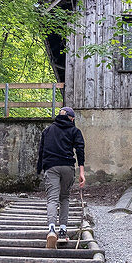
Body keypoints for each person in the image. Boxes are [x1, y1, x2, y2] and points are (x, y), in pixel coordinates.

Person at [36, 106, 86, 248]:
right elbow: (80, 150)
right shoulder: (74, 131)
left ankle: (51, 230)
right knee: (64, 198)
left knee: (52, 199)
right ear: (71, 118)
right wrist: (81, 172)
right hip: (67, 167)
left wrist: (40, 168)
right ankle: (63, 231)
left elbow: (41, 151)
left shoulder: (47, 131)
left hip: (51, 167)